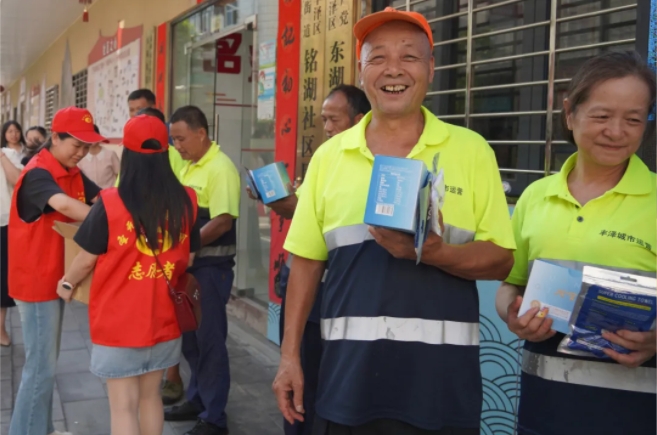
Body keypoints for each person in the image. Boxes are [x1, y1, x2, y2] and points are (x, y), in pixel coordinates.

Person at [273, 8, 515, 435]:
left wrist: (434, 252)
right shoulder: (329, 157)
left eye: (409, 56)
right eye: (378, 57)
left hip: (440, 386)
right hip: (348, 382)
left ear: (431, 69)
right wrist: (289, 356)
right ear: (361, 70)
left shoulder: (472, 150)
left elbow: (501, 260)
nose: (393, 69)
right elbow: (306, 262)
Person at [495, 51, 656, 435]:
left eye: (633, 119)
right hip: (543, 407)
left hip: (636, 413)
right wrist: (513, 316)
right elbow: (510, 286)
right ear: (569, 113)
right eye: (601, 116)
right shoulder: (535, 196)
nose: (616, 131)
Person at [55, 114, 201, 435]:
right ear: (165, 153)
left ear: (128, 154)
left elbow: (86, 260)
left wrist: (66, 283)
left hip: (118, 324)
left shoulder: (110, 203)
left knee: (123, 407)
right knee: (151, 398)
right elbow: (189, 257)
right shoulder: (187, 200)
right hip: (164, 320)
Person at [249, 85, 370, 435]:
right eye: (323, 120)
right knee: (300, 375)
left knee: (327, 383)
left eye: (334, 119)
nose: (327, 127)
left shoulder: (378, 167)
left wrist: (279, 200)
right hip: (308, 291)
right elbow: (303, 211)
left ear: (359, 119)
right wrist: (273, 196)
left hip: (342, 297)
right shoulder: (326, 159)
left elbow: (301, 209)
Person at [8, 107, 106, 435]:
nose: (81, 153)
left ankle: (43, 428)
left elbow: (101, 198)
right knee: (40, 369)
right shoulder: (38, 172)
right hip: (36, 282)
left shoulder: (71, 170)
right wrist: (113, 222)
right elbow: (63, 205)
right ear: (55, 138)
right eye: (76, 145)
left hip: (56, 278)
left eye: (86, 147)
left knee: (45, 366)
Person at [164, 106, 240, 435]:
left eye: (181, 139)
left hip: (210, 270)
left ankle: (214, 418)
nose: (177, 145)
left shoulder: (220, 168)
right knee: (190, 341)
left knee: (209, 343)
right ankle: (197, 399)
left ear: (201, 133)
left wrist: (188, 247)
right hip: (187, 268)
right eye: (173, 139)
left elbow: (223, 221)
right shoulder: (188, 166)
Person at [0, 122, 25, 346]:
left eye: (16, 130)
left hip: (6, 221)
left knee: (3, 275)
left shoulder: (8, 155)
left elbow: (17, 180)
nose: (14, 134)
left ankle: (0, 329)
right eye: (10, 131)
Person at [78, 124, 121, 189]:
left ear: (98, 135)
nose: (91, 138)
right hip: (91, 194)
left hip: (109, 192)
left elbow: (119, 175)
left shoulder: (110, 154)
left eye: (93, 135)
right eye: (88, 136)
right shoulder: (81, 157)